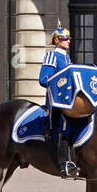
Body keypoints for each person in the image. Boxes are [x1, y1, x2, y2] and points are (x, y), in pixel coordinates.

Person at [39, 26, 80, 178]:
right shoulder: (52, 56)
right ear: (56, 41)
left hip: (69, 102)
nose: (69, 41)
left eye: (69, 38)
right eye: (64, 38)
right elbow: (44, 79)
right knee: (64, 128)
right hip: (56, 103)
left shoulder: (67, 58)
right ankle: (63, 164)